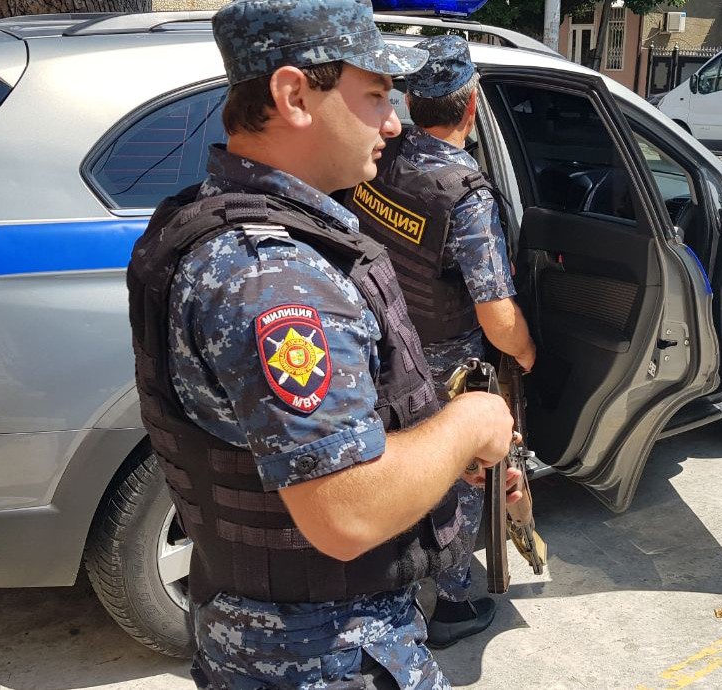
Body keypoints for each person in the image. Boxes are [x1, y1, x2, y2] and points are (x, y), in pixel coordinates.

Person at [125, 1, 520, 687]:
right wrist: (470, 423)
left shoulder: (240, 229)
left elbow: (322, 446)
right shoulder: (274, 277)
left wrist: (441, 458)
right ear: (294, 96)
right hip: (325, 655)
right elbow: (346, 511)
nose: (393, 123)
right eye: (375, 96)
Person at [343, 36, 537, 648]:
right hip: (448, 367)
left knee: (392, 466)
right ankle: (453, 602)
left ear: (409, 102)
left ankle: (393, 586)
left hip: (380, 344)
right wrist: (528, 354)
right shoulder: (465, 193)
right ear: (472, 105)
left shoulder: (383, 154)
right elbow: (496, 314)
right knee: (459, 476)